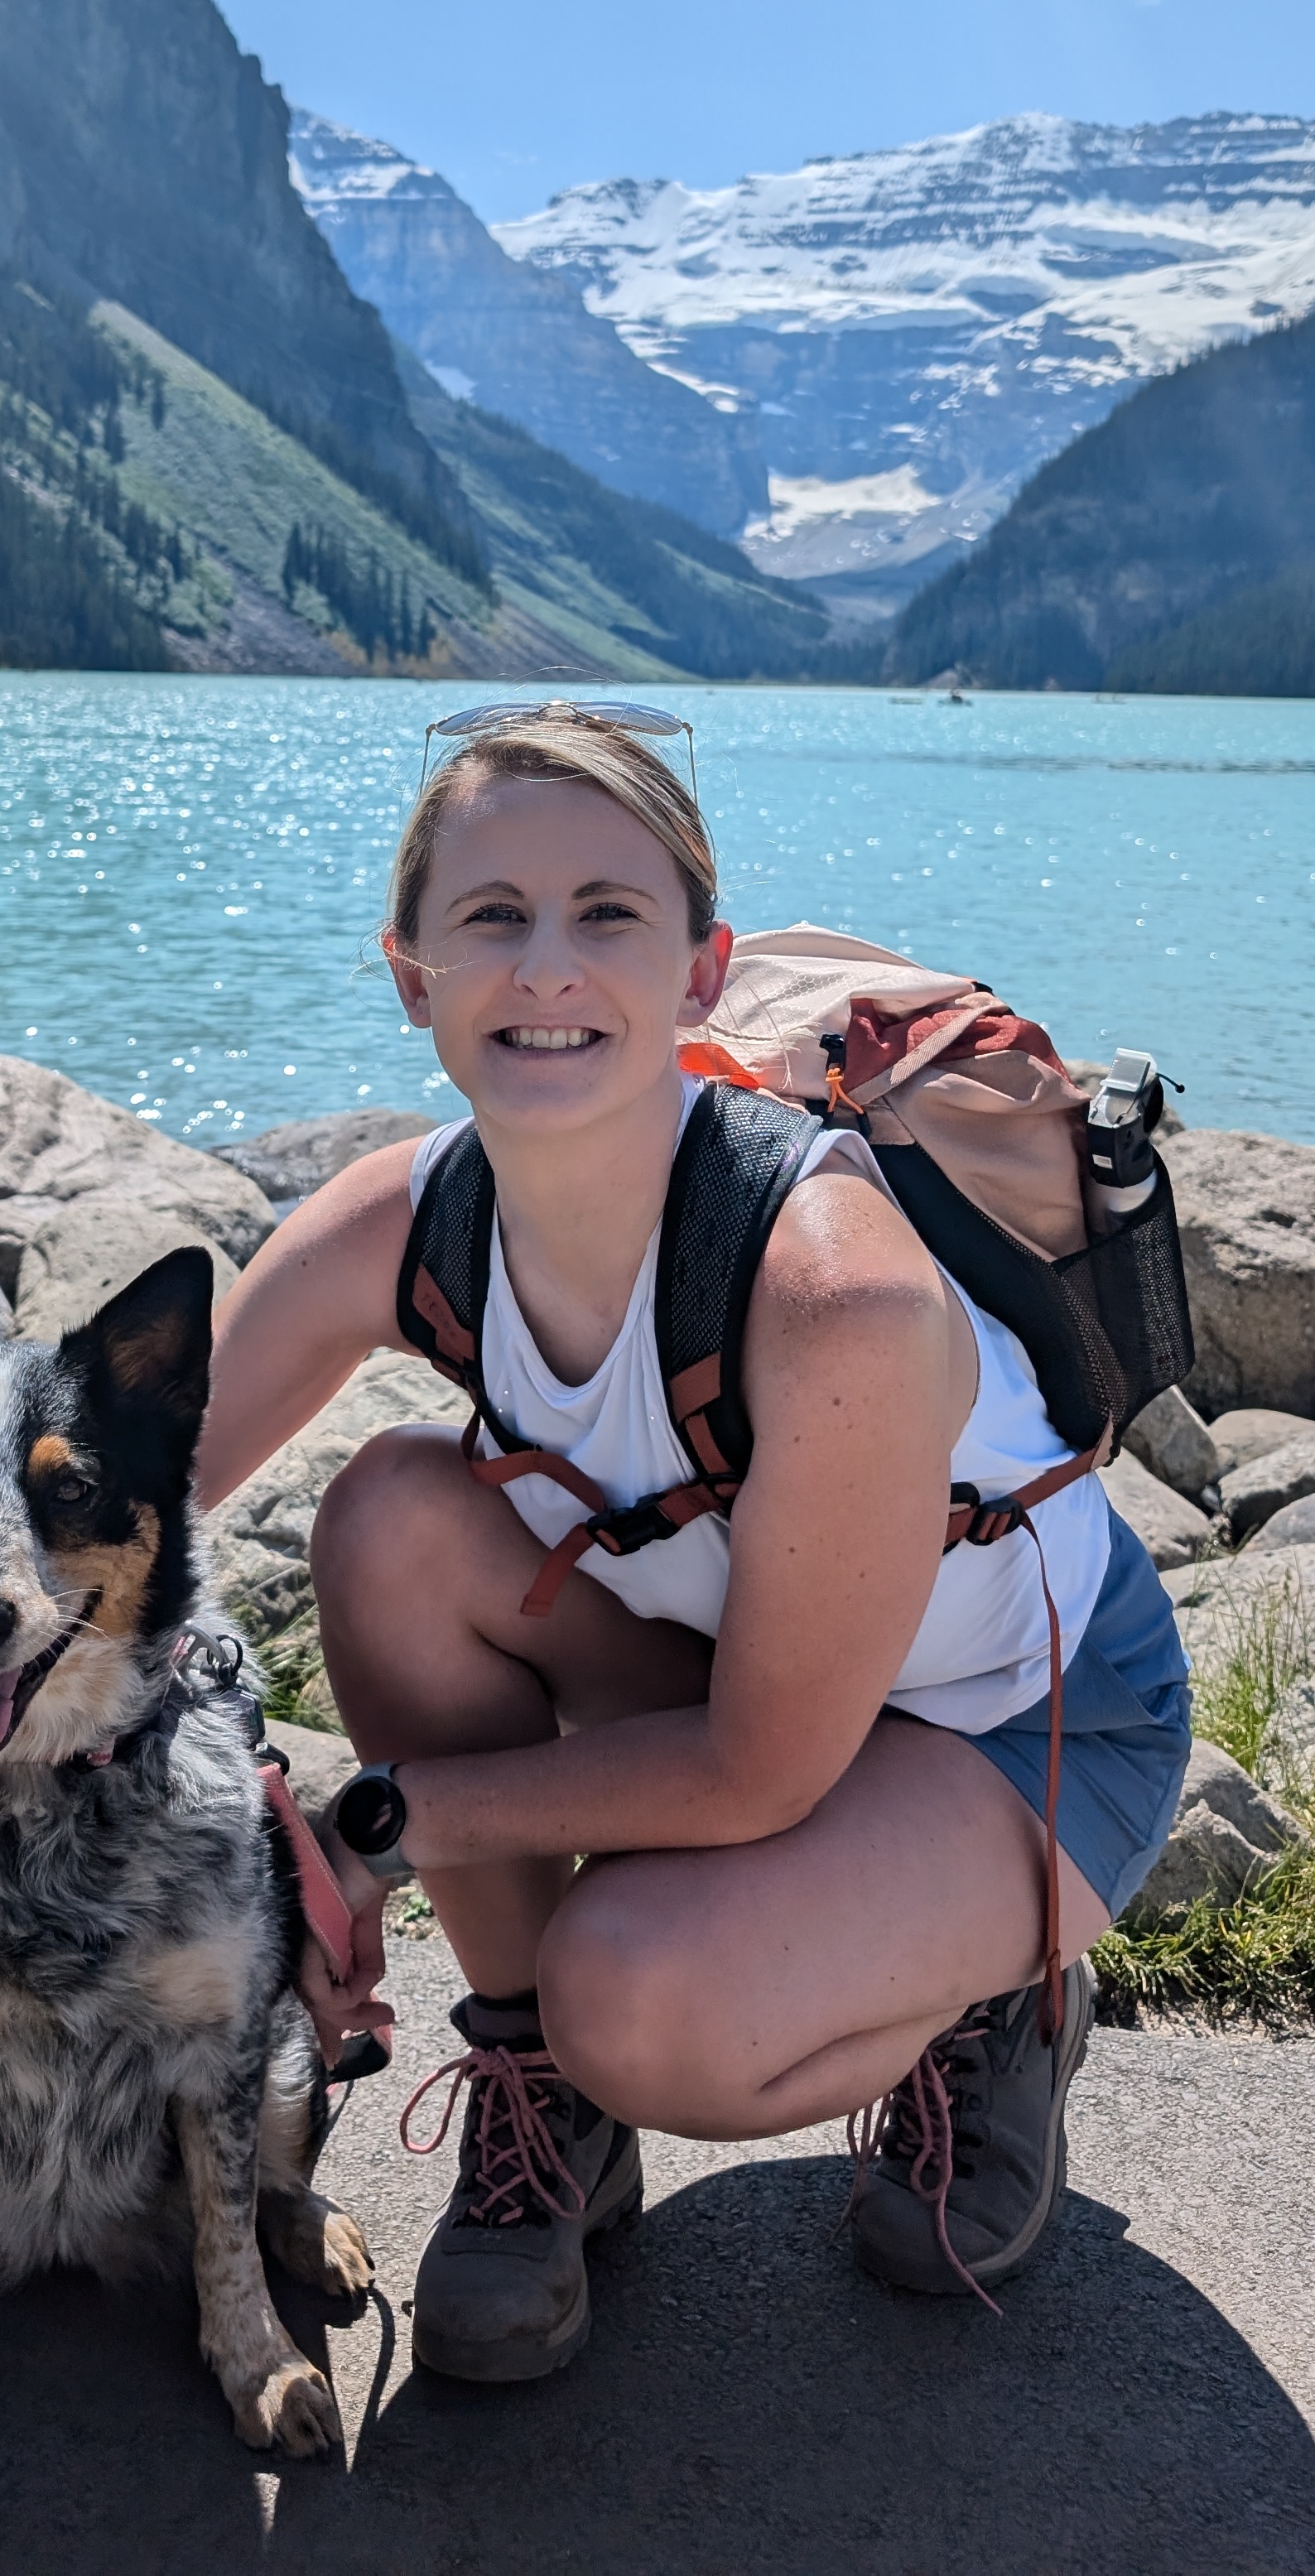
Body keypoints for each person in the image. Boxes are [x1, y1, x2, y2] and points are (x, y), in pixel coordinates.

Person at [194, 703, 1191, 2381]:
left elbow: (757, 1773)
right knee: (390, 1523)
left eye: (608, 915)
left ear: (705, 968)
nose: (548, 969)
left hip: (1020, 1725)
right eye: (491, 917)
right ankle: (540, 2101)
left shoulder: (836, 1290)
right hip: (752, 1659)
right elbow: (114, 1505)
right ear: (409, 970)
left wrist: (365, 1834)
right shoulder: (408, 1219)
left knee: (639, 1997)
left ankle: (992, 2001)